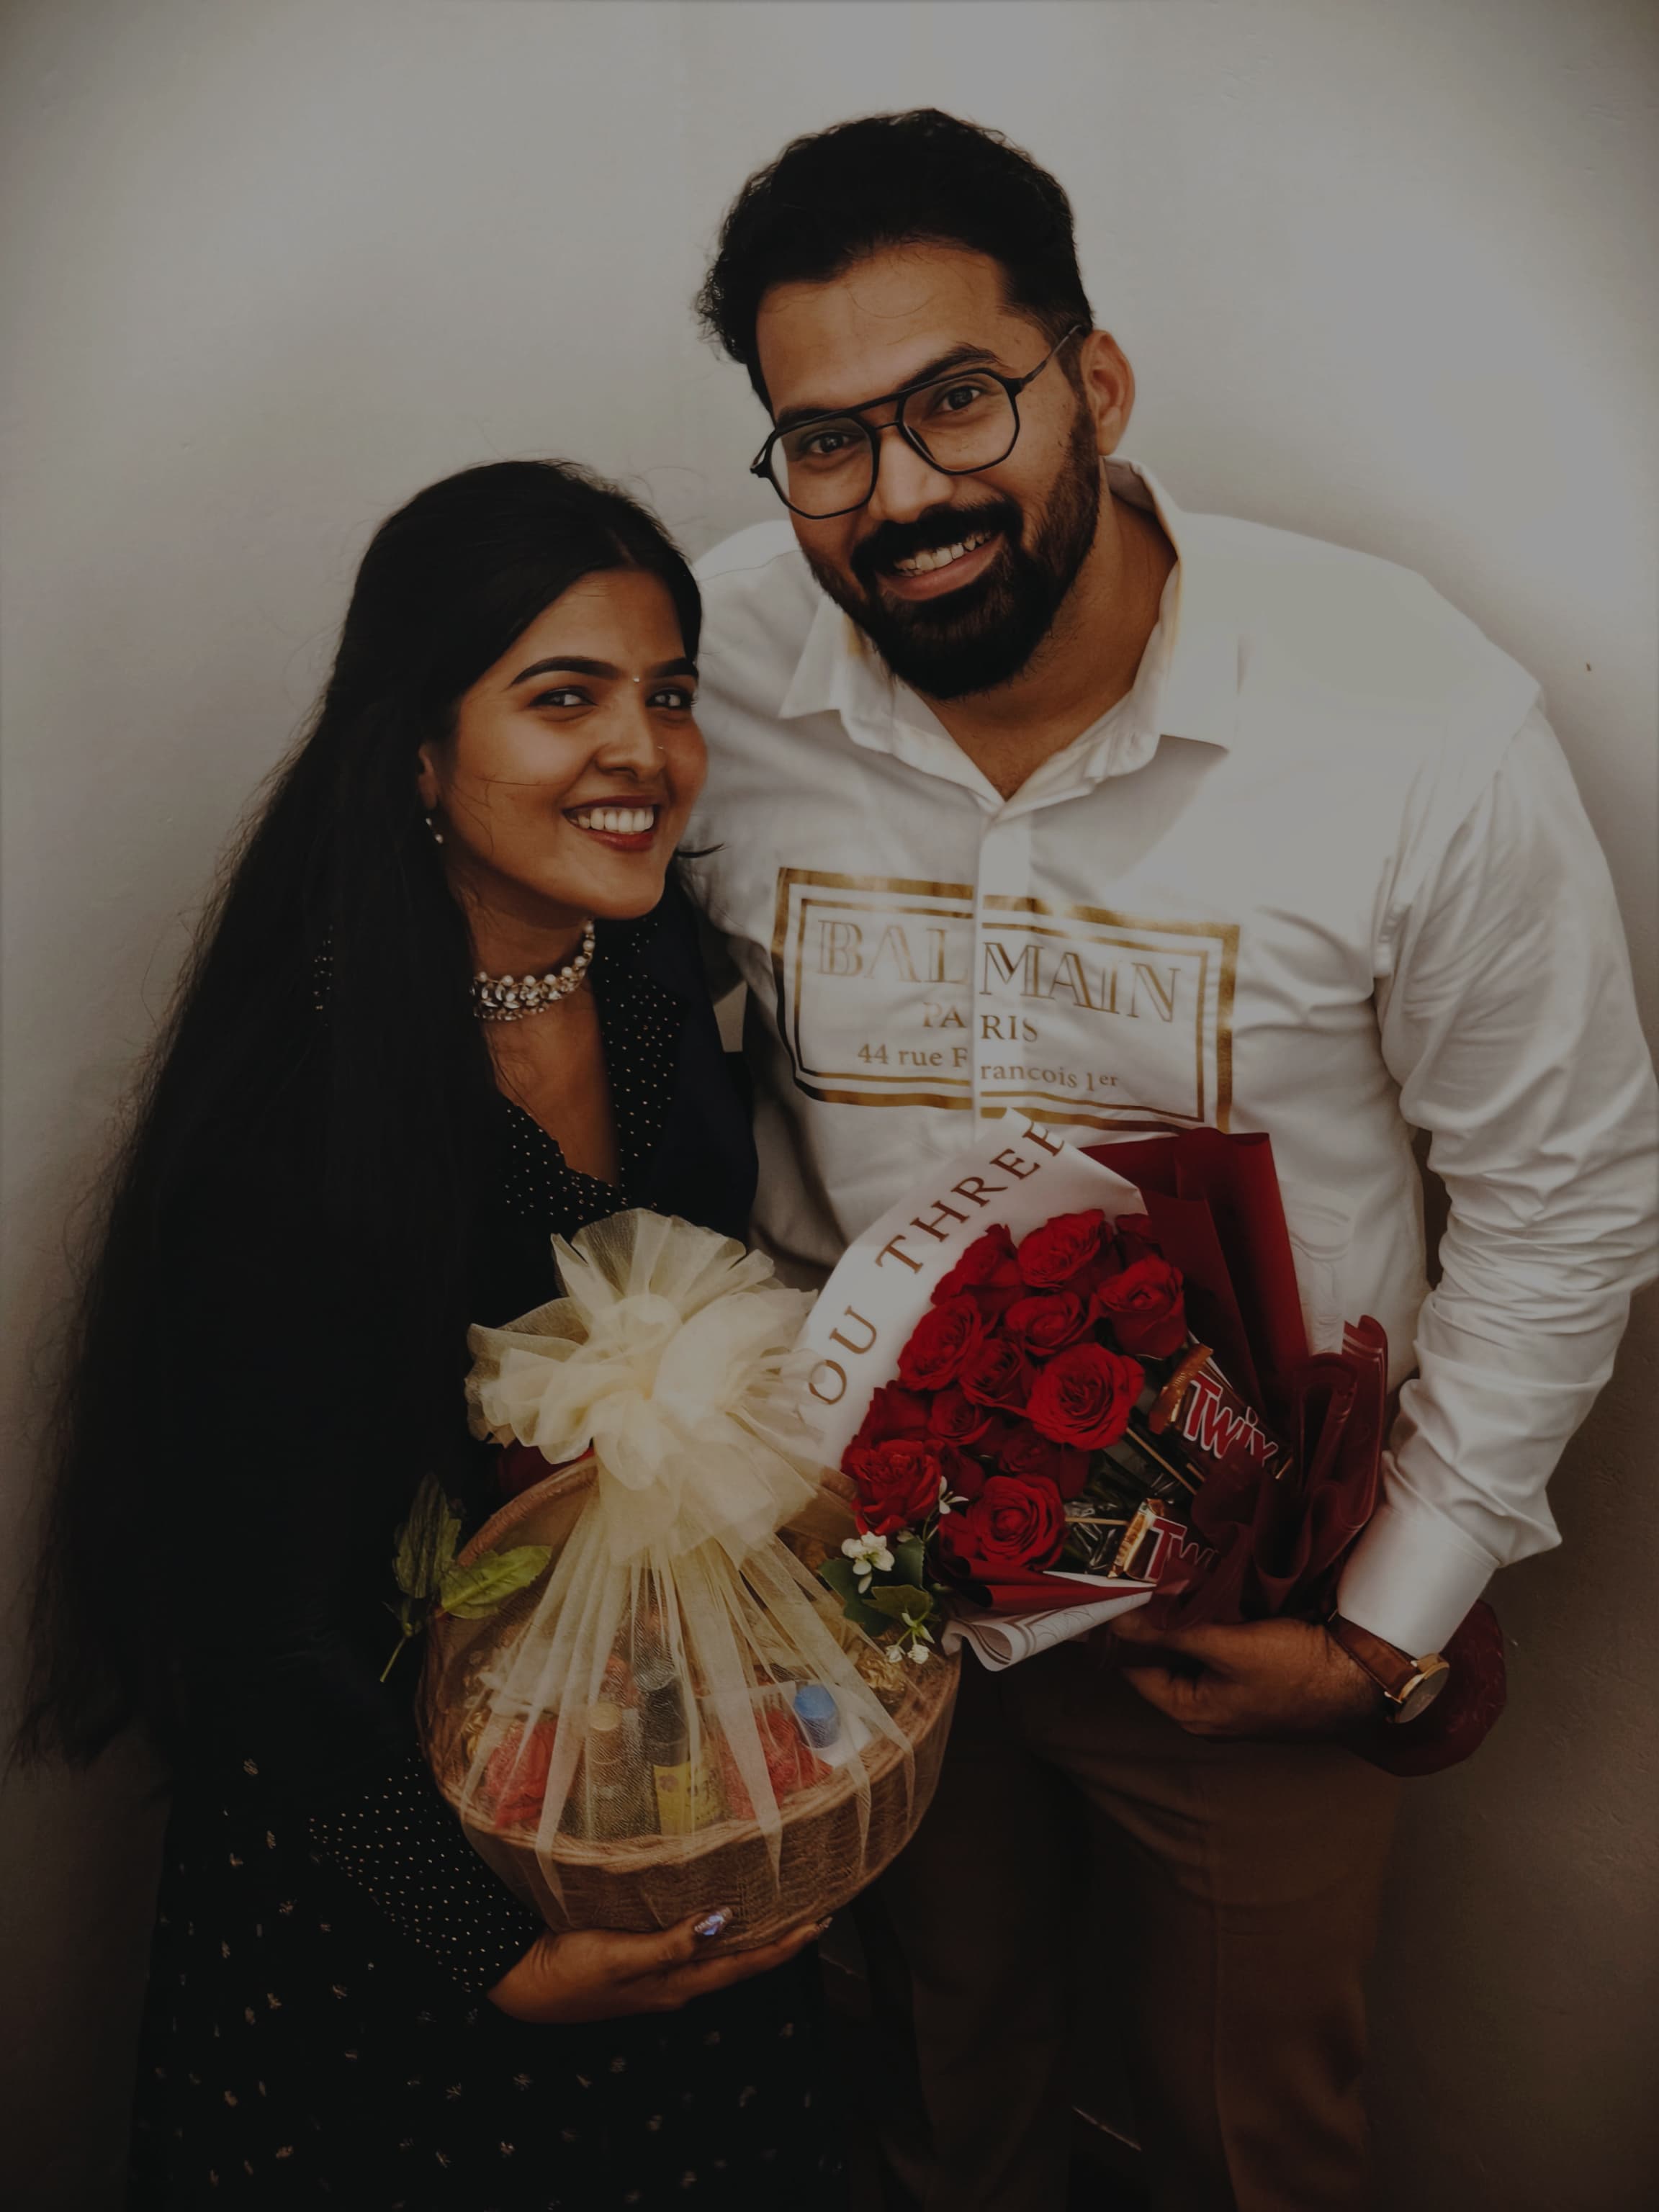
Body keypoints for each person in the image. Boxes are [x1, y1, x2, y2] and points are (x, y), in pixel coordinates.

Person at [680, 109, 1659, 2211]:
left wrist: (1388, 1622)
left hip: (1245, 1612)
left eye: (958, 401)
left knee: (1250, 2145)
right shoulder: (714, 671)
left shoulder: (1408, 717)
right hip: (862, 1595)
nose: (905, 494)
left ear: (1096, 384)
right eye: (824, 441)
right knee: (940, 2105)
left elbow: (1571, 1189)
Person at [17, 460, 842, 2209]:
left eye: (669, 694)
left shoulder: (649, 982)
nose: (642, 751)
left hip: (640, 1792)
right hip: (398, 1898)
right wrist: (493, 1951)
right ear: (411, 753)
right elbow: (259, 1635)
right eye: (565, 698)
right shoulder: (304, 1129)